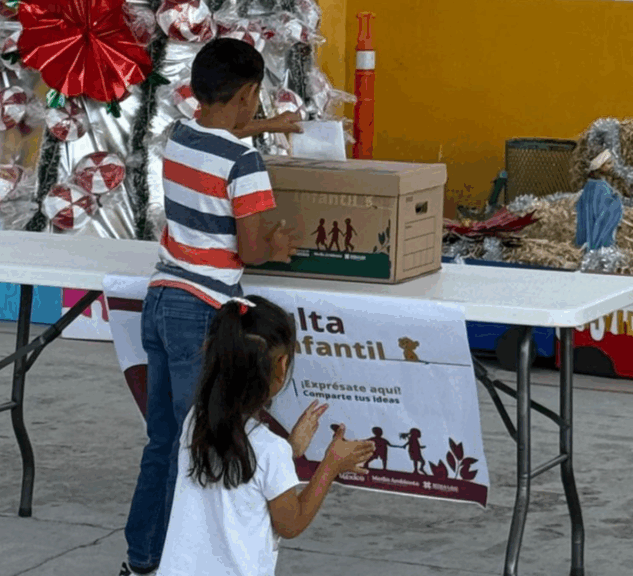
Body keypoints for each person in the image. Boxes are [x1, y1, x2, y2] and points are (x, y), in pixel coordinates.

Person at [120, 38, 303, 576]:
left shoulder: (181, 135)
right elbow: (248, 251)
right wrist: (276, 246)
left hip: (159, 302)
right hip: (202, 310)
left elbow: (228, 133)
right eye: (257, 101)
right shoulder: (244, 165)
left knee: (163, 444)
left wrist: (271, 128)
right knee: (195, 448)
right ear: (249, 95)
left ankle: (142, 560)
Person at [156, 296, 376, 576]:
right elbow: (290, 523)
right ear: (282, 366)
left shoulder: (196, 421)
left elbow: (244, 472)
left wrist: (290, 450)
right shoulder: (269, 449)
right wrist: (330, 465)